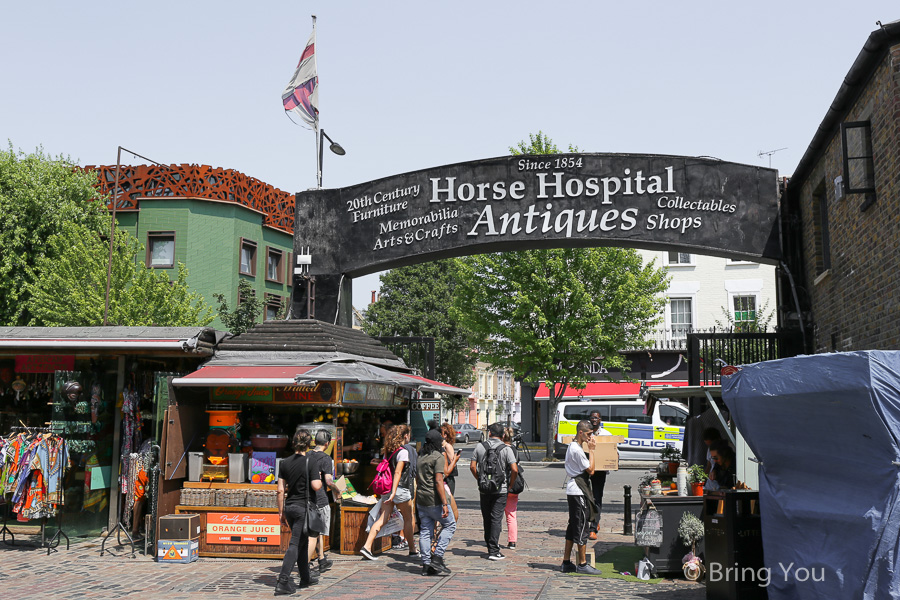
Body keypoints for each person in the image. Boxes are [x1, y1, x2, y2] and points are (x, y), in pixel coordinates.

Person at [275, 429, 322, 595]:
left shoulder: (284, 463)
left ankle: (305, 578)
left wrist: (281, 513)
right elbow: (316, 486)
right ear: (309, 444)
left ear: (293, 443)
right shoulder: (311, 461)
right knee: (295, 543)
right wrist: (320, 479)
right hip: (303, 508)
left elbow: (281, 491)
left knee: (301, 543)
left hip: (290, 507)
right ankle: (283, 581)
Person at [360, 424, 417, 560]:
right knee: (409, 519)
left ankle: (367, 547)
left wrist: (390, 492)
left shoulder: (389, 451)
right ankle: (412, 549)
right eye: (408, 434)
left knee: (382, 519)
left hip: (387, 489)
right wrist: (394, 492)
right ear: (405, 436)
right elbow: (397, 472)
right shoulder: (403, 452)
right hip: (399, 490)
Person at [469, 422, 518, 560]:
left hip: (484, 489)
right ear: (503, 435)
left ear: (489, 433)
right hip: (500, 489)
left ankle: (489, 546)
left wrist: (479, 479)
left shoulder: (480, 447)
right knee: (496, 519)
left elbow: (472, 466)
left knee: (486, 518)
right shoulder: (506, 449)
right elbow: (514, 469)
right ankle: (494, 550)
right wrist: (510, 484)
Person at [561, 420, 602, 575]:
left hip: (575, 489)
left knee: (573, 526)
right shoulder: (576, 449)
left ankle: (566, 562)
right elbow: (591, 470)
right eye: (589, 434)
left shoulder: (574, 447)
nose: (590, 437)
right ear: (581, 432)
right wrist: (592, 450)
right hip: (578, 491)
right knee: (581, 526)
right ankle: (583, 563)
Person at [416, 429, 456, 576]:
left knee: (425, 531)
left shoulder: (420, 456)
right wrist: (445, 503)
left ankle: (426, 565)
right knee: (450, 525)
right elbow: (439, 480)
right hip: (435, 500)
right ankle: (437, 557)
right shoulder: (437, 457)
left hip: (421, 499)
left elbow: (417, 479)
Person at [306, 430, 341, 574]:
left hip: (306, 497)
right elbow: (328, 481)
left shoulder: (306, 455)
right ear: (327, 444)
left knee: (315, 530)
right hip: (320, 498)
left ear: (315, 441)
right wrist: (337, 489)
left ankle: (321, 559)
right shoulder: (326, 459)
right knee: (316, 532)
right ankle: (310, 563)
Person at [586, 410, 612, 540]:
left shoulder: (606, 434)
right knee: (586, 498)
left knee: (597, 498)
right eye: (592, 418)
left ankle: (593, 527)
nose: (594, 420)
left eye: (596, 418)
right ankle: (592, 521)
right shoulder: (584, 434)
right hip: (585, 469)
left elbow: (614, 451)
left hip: (599, 471)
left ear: (600, 419)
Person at [502, 427, 519, 549]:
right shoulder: (515, 449)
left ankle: (493, 540)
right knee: (511, 514)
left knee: (496, 514)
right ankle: (512, 541)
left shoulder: (501, 449)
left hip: (502, 484)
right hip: (514, 485)